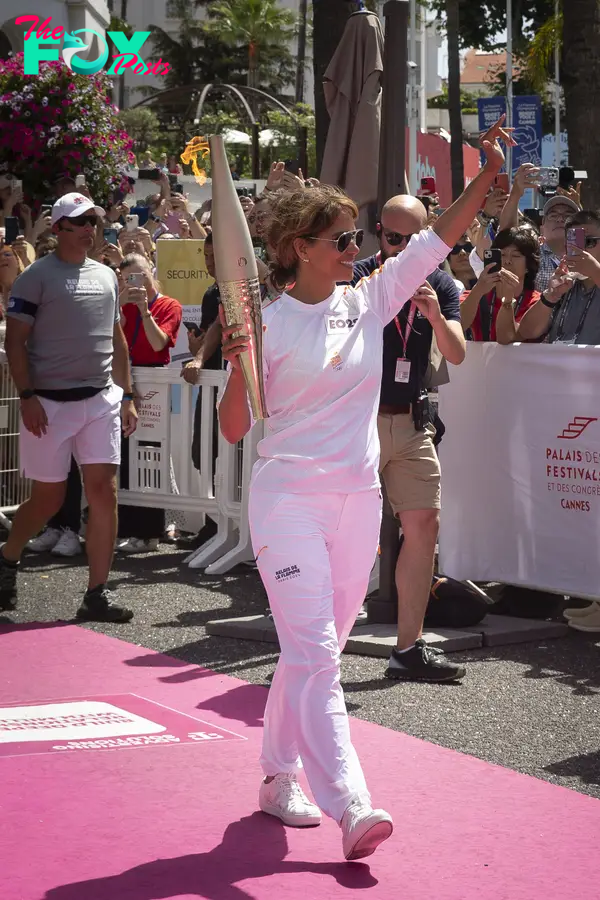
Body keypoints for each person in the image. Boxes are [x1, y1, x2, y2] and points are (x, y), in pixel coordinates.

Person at [217, 119, 514, 860]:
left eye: (359, 239)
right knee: (317, 653)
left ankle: (277, 773)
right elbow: (231, 429)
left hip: (357, 503)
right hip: (287, 502)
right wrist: (236, 357)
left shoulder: (368, 302)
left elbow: (436, 240)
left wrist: (482, 180)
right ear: (300, 252)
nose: (358, 251)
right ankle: (352, 803)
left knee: (314, 649)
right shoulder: (268, 323)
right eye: (344, 241)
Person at [0, 192, 138, 620]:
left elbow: (117, 341)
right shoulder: (35, 277)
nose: (89, 229)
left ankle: (96, 593)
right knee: (48, 499)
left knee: (104, 493)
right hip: (48, 403)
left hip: (99, 400)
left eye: (93, 221)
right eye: (79, 222)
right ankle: (8, 556)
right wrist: (27, 397)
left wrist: (128, 396)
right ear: (58, 228)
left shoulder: (107, 276)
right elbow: (15, 342)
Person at [352, 195, 467, 683]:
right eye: (390, 236)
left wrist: (436, 316)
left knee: (424, 525)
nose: (397, 248)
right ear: (378, 232)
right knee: (346, 533)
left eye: (409, 239)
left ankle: (408, 648)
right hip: (358, 421)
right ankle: (316, 651)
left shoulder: (440, 281)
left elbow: (457, 355)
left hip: (413, 420)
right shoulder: (356, 276)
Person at [117, 254, 182, 553]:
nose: (135, 283)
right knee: (126, 456)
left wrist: (144, 312)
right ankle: (130, 528)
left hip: (153, 381)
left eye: (139, 275)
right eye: (128, 277)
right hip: (125, 381)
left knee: (151, 455)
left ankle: (151, 531)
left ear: (151, 273)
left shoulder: (169, 305)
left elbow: (159, 344)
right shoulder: (121, 305)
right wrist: (118, 304)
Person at [502, 210, 600, 347]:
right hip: (562, 367)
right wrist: (550, 296)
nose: (582, 250)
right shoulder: (565, 285)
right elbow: (526, 332)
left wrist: (595, 271)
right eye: (574, 243)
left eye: (589, 242)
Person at [182, 233, 221, 547]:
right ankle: (212, 523)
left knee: (226, 458)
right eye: (206, 256)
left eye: (214, 256)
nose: (210, 263)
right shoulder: (211, 293)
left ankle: (225, 525)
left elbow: (221, 329)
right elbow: (211, 332)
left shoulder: (245, 289)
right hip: (209, 385)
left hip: (230, 386)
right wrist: (198, 347)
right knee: (202, 455)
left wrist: (198, 355)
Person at [461, 226, 541, 342]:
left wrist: (508, 299)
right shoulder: (475, 294)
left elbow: (507, 338)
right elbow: (459, 323)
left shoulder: (535, 302)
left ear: (528, 265)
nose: (507, 261)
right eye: (502, 255)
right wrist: (478, 290)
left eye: (516, 256)